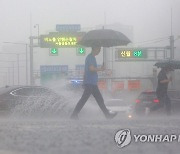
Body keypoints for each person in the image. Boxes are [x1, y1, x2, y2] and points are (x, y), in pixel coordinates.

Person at [70, 44, 117, 120]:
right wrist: (101, 69)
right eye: (99, 50)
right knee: (85, 99)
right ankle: (74, 114)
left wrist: (84, 81)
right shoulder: (90, 57)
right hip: (90, 83)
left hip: (91, 83)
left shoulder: (91, 57)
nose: (99, 51)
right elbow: (91, 69)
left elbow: (86, 71)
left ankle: (107, 114)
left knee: (99, 99)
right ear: (95, 49)